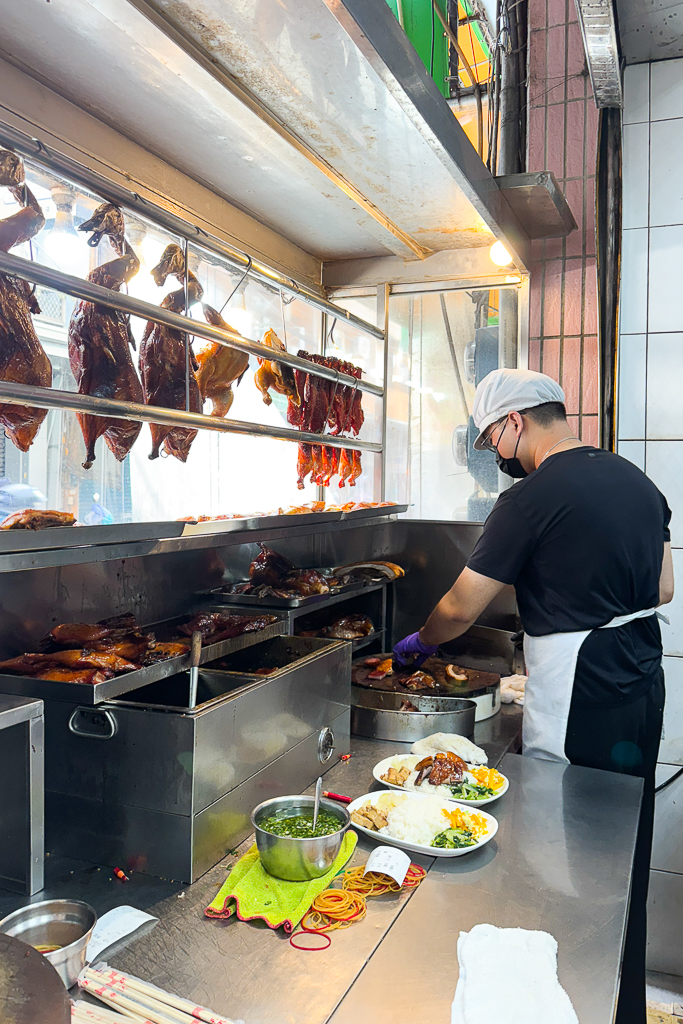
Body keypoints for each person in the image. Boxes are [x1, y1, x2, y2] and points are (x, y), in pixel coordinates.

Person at [394, 368, 674, 1024]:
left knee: (565, 866)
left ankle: (568, 1000)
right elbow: (661, 588)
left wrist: (420, 643)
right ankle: (621, 1004)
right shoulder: (637, 481)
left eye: (493, 437)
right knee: (620, 854)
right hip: (639, 682)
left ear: (515, 421)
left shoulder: (529, 499)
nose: (495, 454)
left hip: (581, 693)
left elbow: (462, 606)